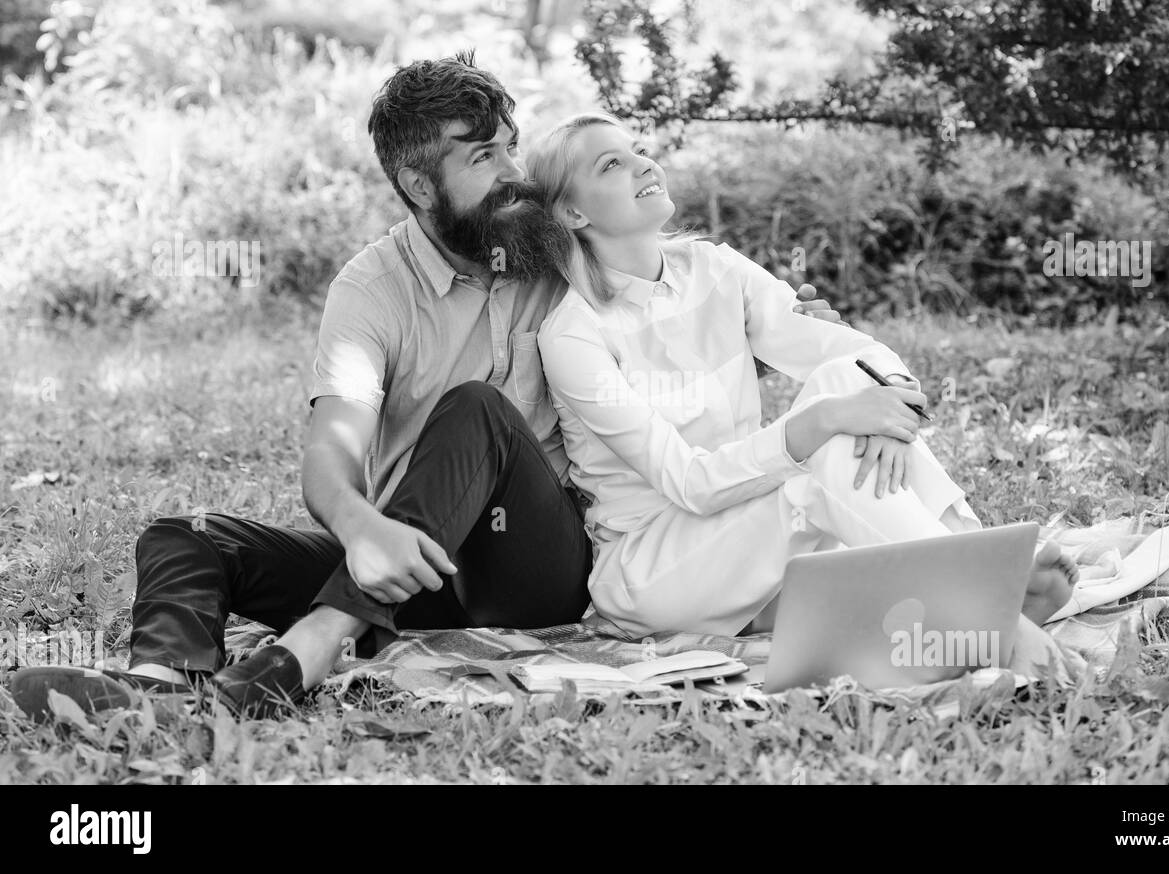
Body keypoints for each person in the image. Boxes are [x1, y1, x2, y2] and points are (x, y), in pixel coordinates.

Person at [8, 54, 844, 721]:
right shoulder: (372, 290)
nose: (514, 172)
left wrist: (781, 328)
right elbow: (331, 452)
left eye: (510, 145)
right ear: (418, 185)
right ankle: (159, 692)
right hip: (408, 565)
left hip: (536, 560)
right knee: (186, 535)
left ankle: (309, 648)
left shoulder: (553, 244)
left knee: (476, 408)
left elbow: (671, 304)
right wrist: (362, 527)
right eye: (484, 157)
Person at [529, 112, 1079, 642]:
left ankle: (978, 574)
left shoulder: (715, 268)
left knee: (846, 378)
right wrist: (826, 421)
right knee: (820, 458)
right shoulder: (574, 336)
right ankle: (983, 589)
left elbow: (855, 353)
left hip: (754, 525)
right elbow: (691, 484)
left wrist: (891, 410)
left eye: (640, 151)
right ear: (573, 213)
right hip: (658, 566)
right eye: (611, 164)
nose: (644, 164)